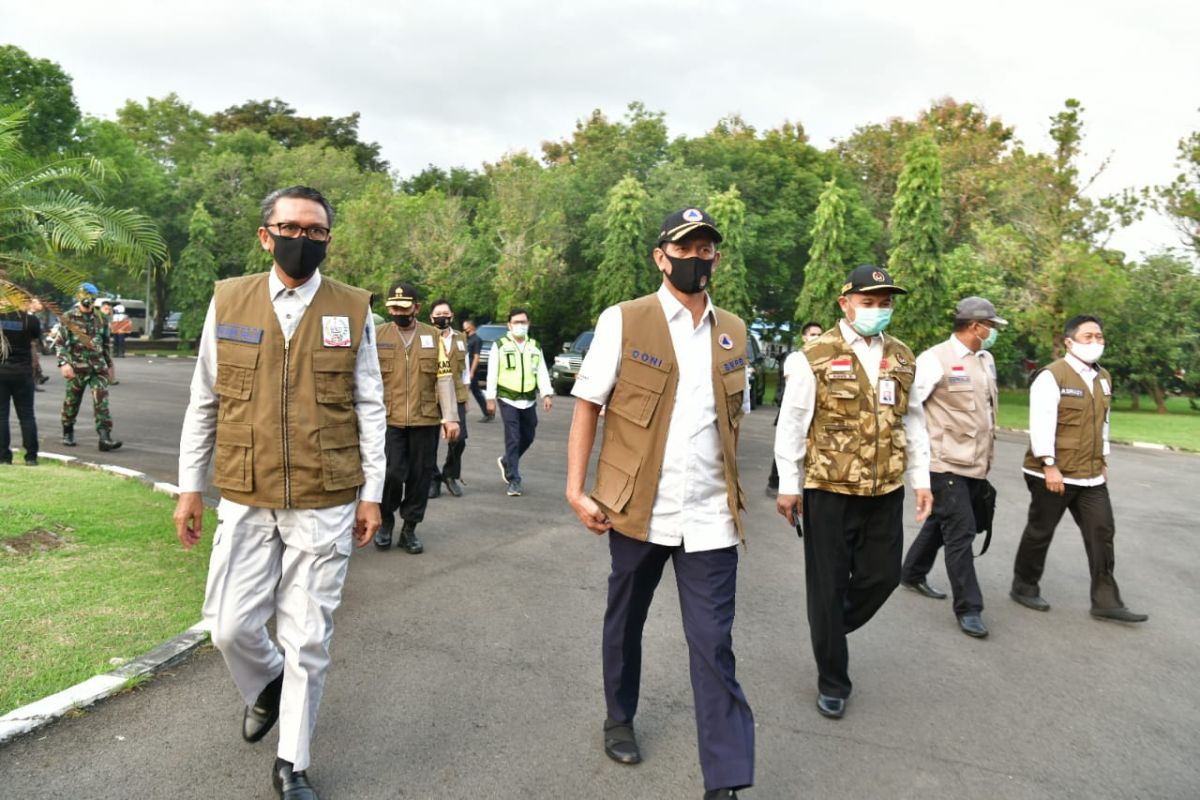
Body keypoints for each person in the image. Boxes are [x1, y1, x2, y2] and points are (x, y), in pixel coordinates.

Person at [172, 185, 386, 800]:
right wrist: (190, 487)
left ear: (327, 240)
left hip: (326, 494)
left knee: (308, 635)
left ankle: (293, 762)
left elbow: (370, 404)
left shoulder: (354, 308)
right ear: (266, 235)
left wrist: (372, 492)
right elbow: (204, 399)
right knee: (228, 626)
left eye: (316, 231)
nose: (303, 239)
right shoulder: (230, 300)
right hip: (245, 488)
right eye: (291, 228)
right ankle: (267, 681)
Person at [567, 207, 755, 800]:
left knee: (713, 642)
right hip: (636, 509)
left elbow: (733, 422)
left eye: (706, 249)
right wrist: (577, 488)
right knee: (626, 621)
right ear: (660, 256)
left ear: (716, 258)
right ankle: (619, 717)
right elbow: (588, 406)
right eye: (685, 247)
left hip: (710, 517)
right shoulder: (625, 320)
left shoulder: (736, 331)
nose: (696, 257)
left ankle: (724, 778)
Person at [774, 264, 932, 720]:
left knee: (882, 577)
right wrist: (789, 486)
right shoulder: (814, 355)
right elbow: (792, 423)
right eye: (869, 302)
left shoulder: (903, 357)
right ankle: (833, 679)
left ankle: (827, 626)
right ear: (845, 304)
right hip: (828, 488)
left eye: (885, 303)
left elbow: (914, 419)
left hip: (886, 488)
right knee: (826, 584)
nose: (878, 310)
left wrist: (921, 479)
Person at [1010, 315, 1147, 623]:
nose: (1095, 342)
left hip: (1091, 474)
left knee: (1102, 531)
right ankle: (1024, 585)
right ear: (1069, 343)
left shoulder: (1103, 378)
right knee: (1041, 530)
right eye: (1088, 337)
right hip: (1053, 471)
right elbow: (1041, 422)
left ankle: (1106, 600)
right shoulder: (1052, 376)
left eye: (1099, 336)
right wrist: (1049, 465)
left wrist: (1104, 459)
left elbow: (1104, 424)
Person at [899, 297, 1005, 638]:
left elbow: (986, 412)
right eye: (991, 326)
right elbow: (910, 410)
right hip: (942, 463)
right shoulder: (934, 360)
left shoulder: (985, 360)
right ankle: (969, 607)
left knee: (941, 522)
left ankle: (912, 572)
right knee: (962, 531)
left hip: (975, 463)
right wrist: (916, 463)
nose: (993, 332)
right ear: (975, 326)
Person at [374, 282, 459, 553]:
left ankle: (409, 527)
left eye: (404, 307)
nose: (398, 312)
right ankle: (386, 520)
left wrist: (450, 418)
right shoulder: (377, 335)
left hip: (425, 419)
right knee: (391, 473)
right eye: (393, 308)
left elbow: (444, 378)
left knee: (420, 477)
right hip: (389, 419)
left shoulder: (434, 337)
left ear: (417, 308)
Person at [486, 308, 552, 497]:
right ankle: (514, 479)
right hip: (508, 398)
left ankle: (507, 460)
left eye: (523, 322)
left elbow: (541, 371)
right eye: (516, 322)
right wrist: (490, 398)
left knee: (528, 435)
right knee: (513, 437)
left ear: (528, 324)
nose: (520, 326)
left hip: (529, 400)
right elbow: (492, 372)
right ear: (509, 325)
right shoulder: (500, 345)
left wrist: (546, 394)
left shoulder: (534, 346)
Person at [54, 282, 122, 451]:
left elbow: (106, 344)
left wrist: (110, 368)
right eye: (85, 296)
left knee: (101, 401)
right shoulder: (69, 317)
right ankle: (68, 431)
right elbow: (60, 343)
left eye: (91, 297)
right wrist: (64, 363)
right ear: (79, 297)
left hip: (97, 368)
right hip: (76, 367)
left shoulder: (101, 318)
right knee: (72, 402)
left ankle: (104, 438)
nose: (88, 300)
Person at [766, 321, 824, 497]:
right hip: (791, 405)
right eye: (813, 334)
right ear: (804, 337)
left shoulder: (821, 359)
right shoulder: (795, 358)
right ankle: (776, 481)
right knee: (788, 441)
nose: (816, 337)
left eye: (819, 334)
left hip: (810, 407)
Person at [428, 299, 470, 498]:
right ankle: (432, 479)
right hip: (430, 395)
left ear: (452, 316)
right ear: (431, 317)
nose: (442, 317)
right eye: (438, 314)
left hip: (457, 394)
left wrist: (467, 395)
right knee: (429, 442)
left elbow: (465, 371)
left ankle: (450, 474)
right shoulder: (425, 337)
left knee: (459, 439)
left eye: (446, 313)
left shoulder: (461, 338)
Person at [0, 279, 41, 466]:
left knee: (1, 416)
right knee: (27, 415)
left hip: (2, 370)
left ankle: (3, 457)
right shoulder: (30, 320)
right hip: (23, 372)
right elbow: (34, 339)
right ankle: (31, 456)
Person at [463, 319, 492, 422]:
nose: (464, 328)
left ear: (471, 326)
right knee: (471, 391)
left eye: (465, 326)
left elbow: (476, 357)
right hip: (465, 368)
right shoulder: (468, 339)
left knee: (476, 391)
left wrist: (471, 372)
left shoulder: (477, 339)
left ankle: (488, 413)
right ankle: (487, 412)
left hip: (472, 369)